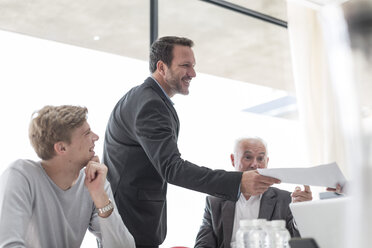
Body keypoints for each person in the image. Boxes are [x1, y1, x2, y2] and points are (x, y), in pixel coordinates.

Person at [102, 36, 280, 247]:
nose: (193, 73)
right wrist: (238, 181)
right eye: (185, 66)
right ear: (161, 67)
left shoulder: (145, 98)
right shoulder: (151, 104)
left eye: (193, 66)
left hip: (130, 218)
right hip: (131, 222)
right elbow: (172, 169)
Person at [0, 105, 135, 248]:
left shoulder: (94, 182)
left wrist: (100, 196)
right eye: (87, 133)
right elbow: (9, 245)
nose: (96, 137)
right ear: (61, 148)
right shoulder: (21, 175)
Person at [194, 137, 313, 247]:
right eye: (248, 157)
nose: (255, 164)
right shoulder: (215, 201)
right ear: (233, 160)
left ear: (267, 162)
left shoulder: (285, 199)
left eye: (260, 158)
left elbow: (297, 243)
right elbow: (203, 245)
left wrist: (300, 212)